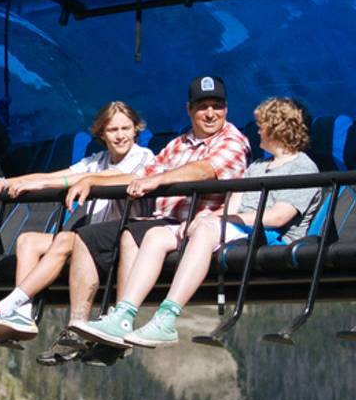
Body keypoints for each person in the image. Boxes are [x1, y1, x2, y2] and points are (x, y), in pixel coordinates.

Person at [118, 96, 322, 349]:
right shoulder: (258, 166)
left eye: (261, 125)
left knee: (206, 229)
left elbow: (277, 217)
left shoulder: (303, 167)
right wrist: (207, 215)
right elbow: (233, 204)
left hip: (270, 236)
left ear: (276, 127)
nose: (257, 130)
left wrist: (218, 220)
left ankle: (166, 317)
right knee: (157, 235)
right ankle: (123, 313)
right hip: (238, 227)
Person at [73, 73, 253, 349]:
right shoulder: (178, 144)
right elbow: (143, 175)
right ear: (189, 109)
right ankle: (87, 325)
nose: (210, 113)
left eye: (216, 106)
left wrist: (159, 180)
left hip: (207, 222)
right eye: (202, 106)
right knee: (89, 236)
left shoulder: (233, 141)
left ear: (226, 109)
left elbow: (205, 170)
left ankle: (137, 317)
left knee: (139, 235)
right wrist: (93, 179)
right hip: (168, 222)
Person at [0, 101, 154, 342]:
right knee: (29, 241)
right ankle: (22, 313)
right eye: (113, 130)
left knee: (64, 239)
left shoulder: (144, 157)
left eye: (126, 128)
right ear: (102, 133)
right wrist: (6, 182)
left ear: (135, 130)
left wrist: (80, 181)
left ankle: (3, 306)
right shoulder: (97, 160)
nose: (121, 136)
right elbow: (55, 176)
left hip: (121, 238)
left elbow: (119, 177)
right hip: (90, 239)